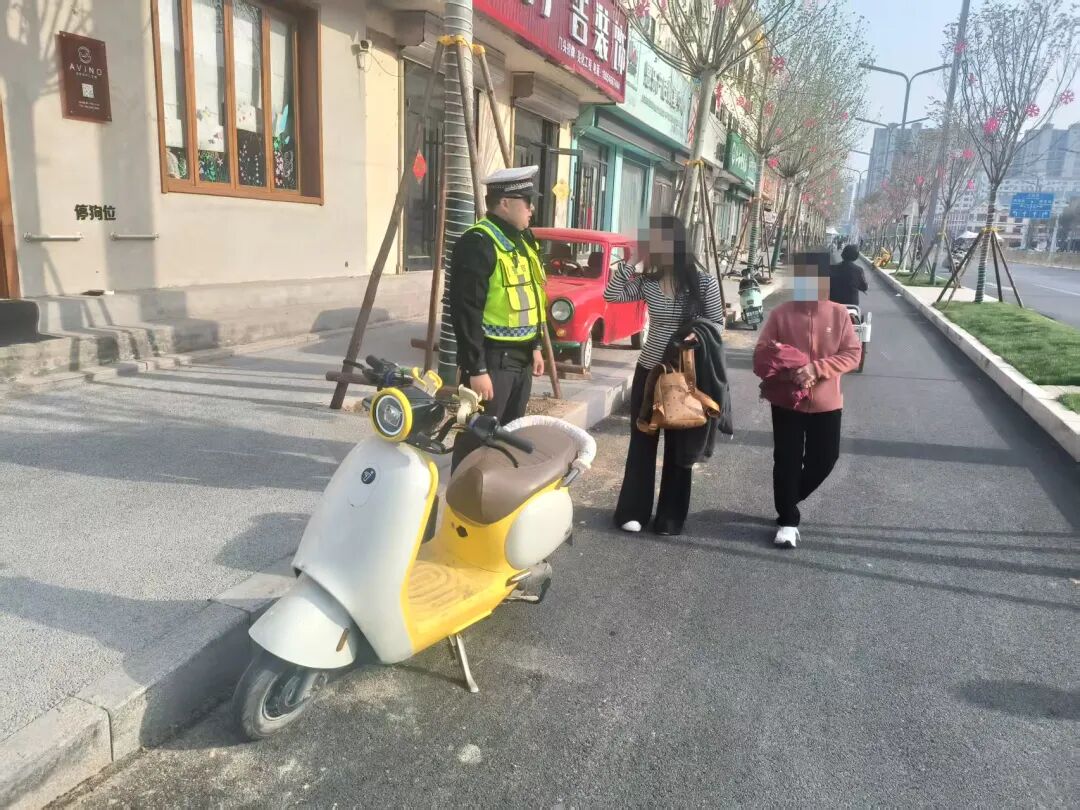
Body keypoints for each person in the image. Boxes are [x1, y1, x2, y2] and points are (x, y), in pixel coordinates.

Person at [605, 215, 726, 536]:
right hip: (650, 370)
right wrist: (632, 260)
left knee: (679, 444)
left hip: (686, 374)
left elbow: (718, 323)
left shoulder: (704, 283)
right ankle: (633, 511)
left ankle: (670, 517)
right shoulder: (648, 281)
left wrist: (699, 334)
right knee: (642, 439)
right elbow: (612, 294)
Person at [753, 252, 862, 549]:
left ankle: (789, 497)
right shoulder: (781, 314)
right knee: (786, 459)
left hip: (827, 403)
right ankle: (788, 520)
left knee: (825, 459)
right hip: (788, 401)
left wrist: (817, 369)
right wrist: (792, 372)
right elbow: (762, 354)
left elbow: (853, 354)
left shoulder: (839, 314)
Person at [448, 166, 546, 469]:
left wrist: (535, 345)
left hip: (521, 361)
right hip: (492, 362)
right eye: (527, 202)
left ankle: (494, 493)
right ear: (505, 203)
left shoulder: (523, 240)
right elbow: (465, 311)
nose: (531, 209)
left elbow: (532, 296)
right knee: (477, 436)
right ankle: (462, 492)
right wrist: (475, 368)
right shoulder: (478, 242)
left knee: (510, 435)